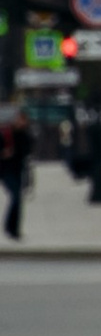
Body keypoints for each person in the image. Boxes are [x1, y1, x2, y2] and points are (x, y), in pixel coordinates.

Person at [0, 102, 28, 244]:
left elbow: (26, 153)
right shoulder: (6, 134)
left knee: (18, 199)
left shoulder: (23, 136)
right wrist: (3, 154)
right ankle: (10, 227)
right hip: (6, 171)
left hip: (17, 170)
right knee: (16, 196)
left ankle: (14, 228)